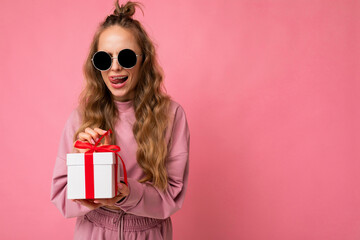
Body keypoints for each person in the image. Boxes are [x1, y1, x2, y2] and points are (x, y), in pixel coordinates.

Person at [50, 1, 190, 239]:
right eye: (104, 59)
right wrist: (83, 168)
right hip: (94, 232)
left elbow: (172, 196)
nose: (115, 67)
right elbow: (62, 198)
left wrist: (126, 193)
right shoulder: (80, 118)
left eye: (125, 57)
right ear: (96, 66)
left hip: (149, 232)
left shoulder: (172, 116)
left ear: (144, 59)